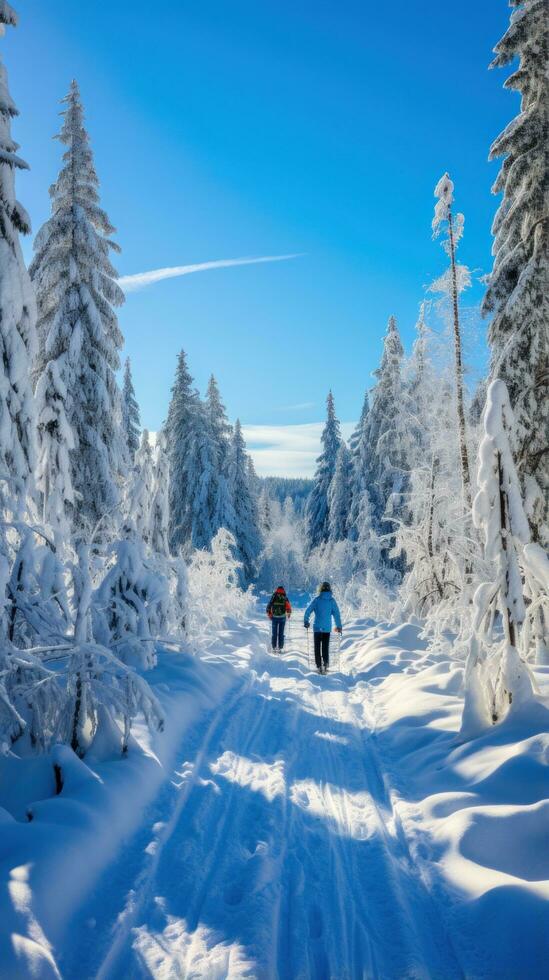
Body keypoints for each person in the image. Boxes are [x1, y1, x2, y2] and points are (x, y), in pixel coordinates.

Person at [304, 582, 342, 674]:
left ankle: (319, 666)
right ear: (330, 589)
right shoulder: (332, 601)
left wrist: (306, 621)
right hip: (327, 628)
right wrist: (339, 626)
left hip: (317, 627)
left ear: (320, 589)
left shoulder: (317, 600)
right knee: (325, 647)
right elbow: (336, 614)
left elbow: (308, 611)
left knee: (317, 648)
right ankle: (325, 664)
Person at [267, 585, 292, 652]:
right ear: (283, 590)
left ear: (277, 589)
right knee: (281, 633)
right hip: (282, 618)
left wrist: (269, 614)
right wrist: (289, 613)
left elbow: (269, 606)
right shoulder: (284, 596)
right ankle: (280, 648)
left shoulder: (274, 596)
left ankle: (274, 647)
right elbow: (288, 606)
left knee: (274, 633)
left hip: (274, 617)